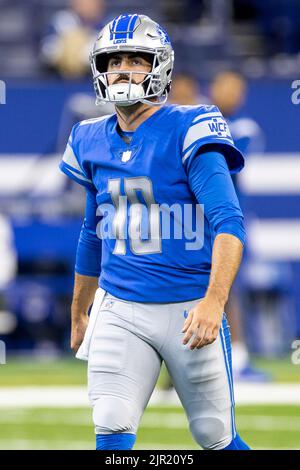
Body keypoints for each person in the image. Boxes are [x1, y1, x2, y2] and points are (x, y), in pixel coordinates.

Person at [59, 14, 250, 450]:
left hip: (189, 310)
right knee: (110, 420)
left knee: (213, 435)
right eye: (114, 60)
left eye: (136, 59)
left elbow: (229, 223)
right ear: (99, 69)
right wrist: (79, 310)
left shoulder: (190, 127)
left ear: (159, 66)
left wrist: (213, 301)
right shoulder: (89, 137)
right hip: (120, 306)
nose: (123, 69)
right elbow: (93, 231)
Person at [210, 71, 268, 381]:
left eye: (235, 89)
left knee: (229, 288)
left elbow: (226, 157)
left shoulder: (245, 128)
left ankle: (239, 358)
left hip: (230, 221)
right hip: (197, 223)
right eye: (224, 86)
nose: (229, 94)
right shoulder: (199, 120)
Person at [40, 0, 106, 78]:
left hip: (92, 79)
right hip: (58, 78)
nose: (87, 5)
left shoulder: (108, 26)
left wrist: (83, 53)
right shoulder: (62, 20)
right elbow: (46, 52)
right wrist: (65, 49)